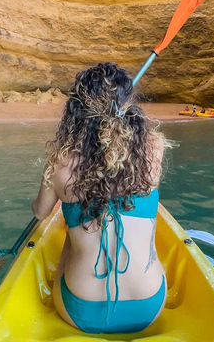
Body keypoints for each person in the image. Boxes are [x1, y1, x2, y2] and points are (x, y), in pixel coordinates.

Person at [31, 62, 170, 334]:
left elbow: (40, 213)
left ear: (76, 112)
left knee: (71, 237)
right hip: (148, 307)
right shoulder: (153, 149)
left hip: (80, 309)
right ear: (131, 106)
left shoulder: (60, 162)